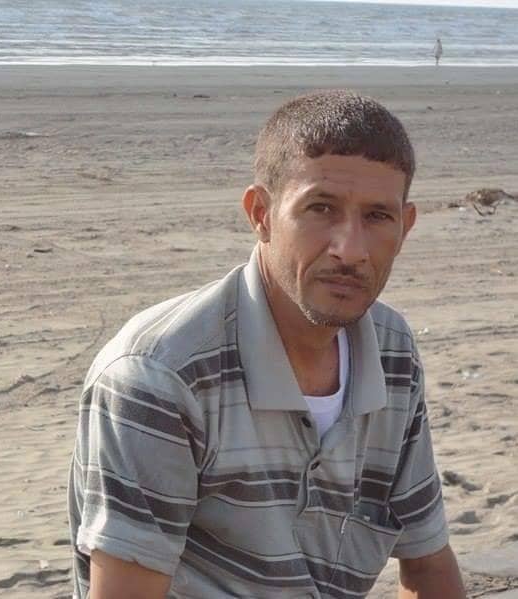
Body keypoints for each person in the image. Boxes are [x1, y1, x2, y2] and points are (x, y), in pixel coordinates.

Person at [68, 90, 466, 598]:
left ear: (405, 227)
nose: (350, 250)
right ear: (261, 213)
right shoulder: (162, 376)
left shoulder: (392, 351)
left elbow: (428, 564)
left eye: (377, 217)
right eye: (321, 208)